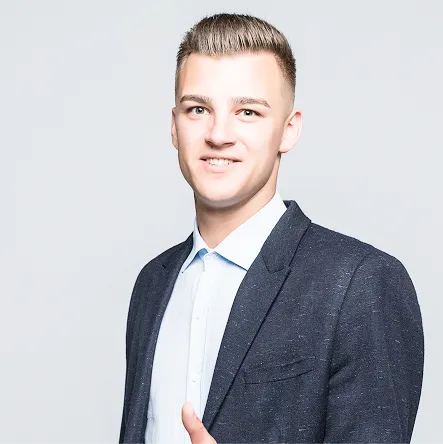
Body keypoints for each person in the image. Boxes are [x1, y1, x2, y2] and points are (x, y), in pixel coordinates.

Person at [119, 13, 424, 444]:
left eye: (247, 112)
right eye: (198, 109)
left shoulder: (360, 283)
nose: (219, 134)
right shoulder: (152, 284)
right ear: (174, 126)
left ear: (288, 129)